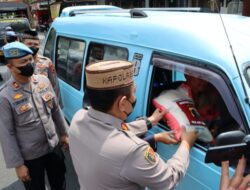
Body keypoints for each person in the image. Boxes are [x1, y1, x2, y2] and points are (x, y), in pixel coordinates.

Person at [69, 60, 198, 190]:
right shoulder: (133, 151)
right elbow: (169, 180)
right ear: (122, 103)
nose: (135, 97)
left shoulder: (78, 117)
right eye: (134, 93)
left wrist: (150, 121)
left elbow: (113, 132)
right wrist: (186, 143)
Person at [0, 42, 69, 190]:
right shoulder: (5, 96)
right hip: (31, 157)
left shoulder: (43, 81)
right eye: (23, 62)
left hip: (53, 146)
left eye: (30, 59)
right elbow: (7, 133)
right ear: (10, 67)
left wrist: (64, 133)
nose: (29, 64)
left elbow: (56, 110)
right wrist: (18, 164)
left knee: (60, 183)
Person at [21, 30, 63, 107]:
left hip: (45, 104)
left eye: (36, 44)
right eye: (29, 44)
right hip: (26, 105)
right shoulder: (17, 64)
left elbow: (55, 85)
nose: (33, 46)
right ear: (23, 45)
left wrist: (57, 105)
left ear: (39, 45)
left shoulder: (47, 62)